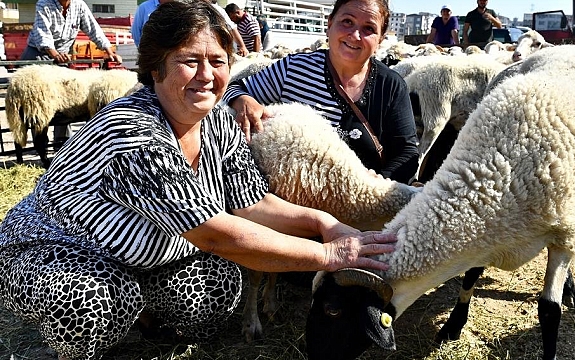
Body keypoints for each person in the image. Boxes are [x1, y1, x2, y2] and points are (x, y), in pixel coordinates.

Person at [0, 1, 396, 359]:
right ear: (156, 67)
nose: (207, 76)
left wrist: (323, 223)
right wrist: (328, 256)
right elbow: (214, 236)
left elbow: (251, 203)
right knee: (95, 303)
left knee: (219, 292)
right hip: (57, 248)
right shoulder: (132, 134)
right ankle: (79, 344)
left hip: (152, 251)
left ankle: (144, 310)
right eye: (190, 60)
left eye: (219, 61)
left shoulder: (219, 122)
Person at [223, 0, 420, 185]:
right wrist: (244, 101)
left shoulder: (390, 85)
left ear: (380, 39)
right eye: (347, 22)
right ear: (330, 23)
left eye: (369, 28)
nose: (355, 35)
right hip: (293, 203)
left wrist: (376, 186)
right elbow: (235, 88)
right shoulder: (294, 69)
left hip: (363, 209)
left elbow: (407, 152)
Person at [21, 0, 123, 145]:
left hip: (61, 58)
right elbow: (42, 33)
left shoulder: (79, 5)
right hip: (39, 55)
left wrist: (108, 51)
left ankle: (62, 144)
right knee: (39, 102)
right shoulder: (44, 4)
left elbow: (93, 28)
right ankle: (40, 146)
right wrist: (54, 54)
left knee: (66, 99)